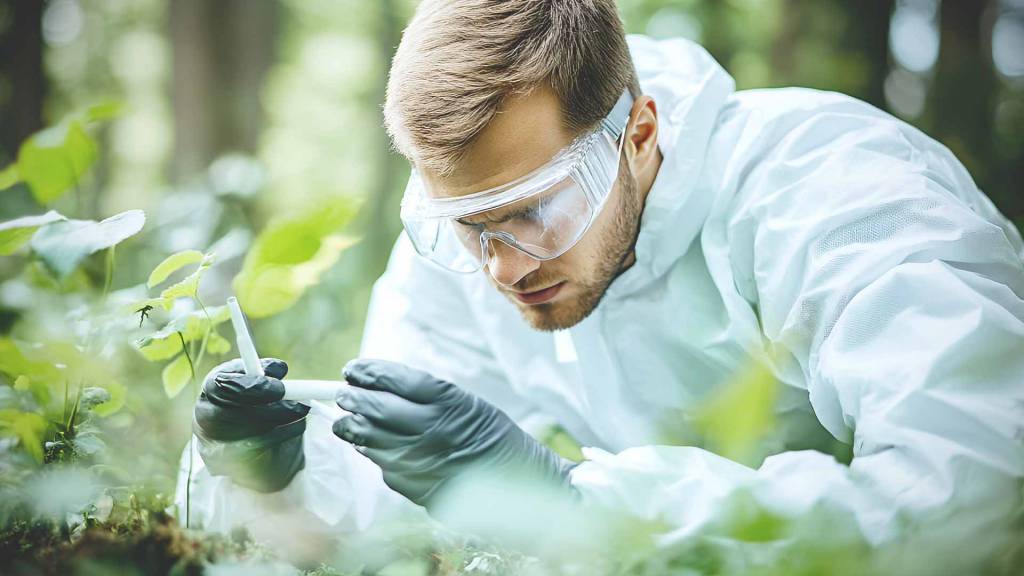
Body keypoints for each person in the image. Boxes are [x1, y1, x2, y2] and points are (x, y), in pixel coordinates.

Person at [180, 0, 1024, 571]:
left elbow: (979, 492)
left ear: (641, 132)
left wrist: (576, 505)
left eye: (539, 207)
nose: (505, 267)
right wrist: (277, 474)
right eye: (469, 225)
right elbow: (385, 525)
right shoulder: (474, 255)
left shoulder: (835, 189)